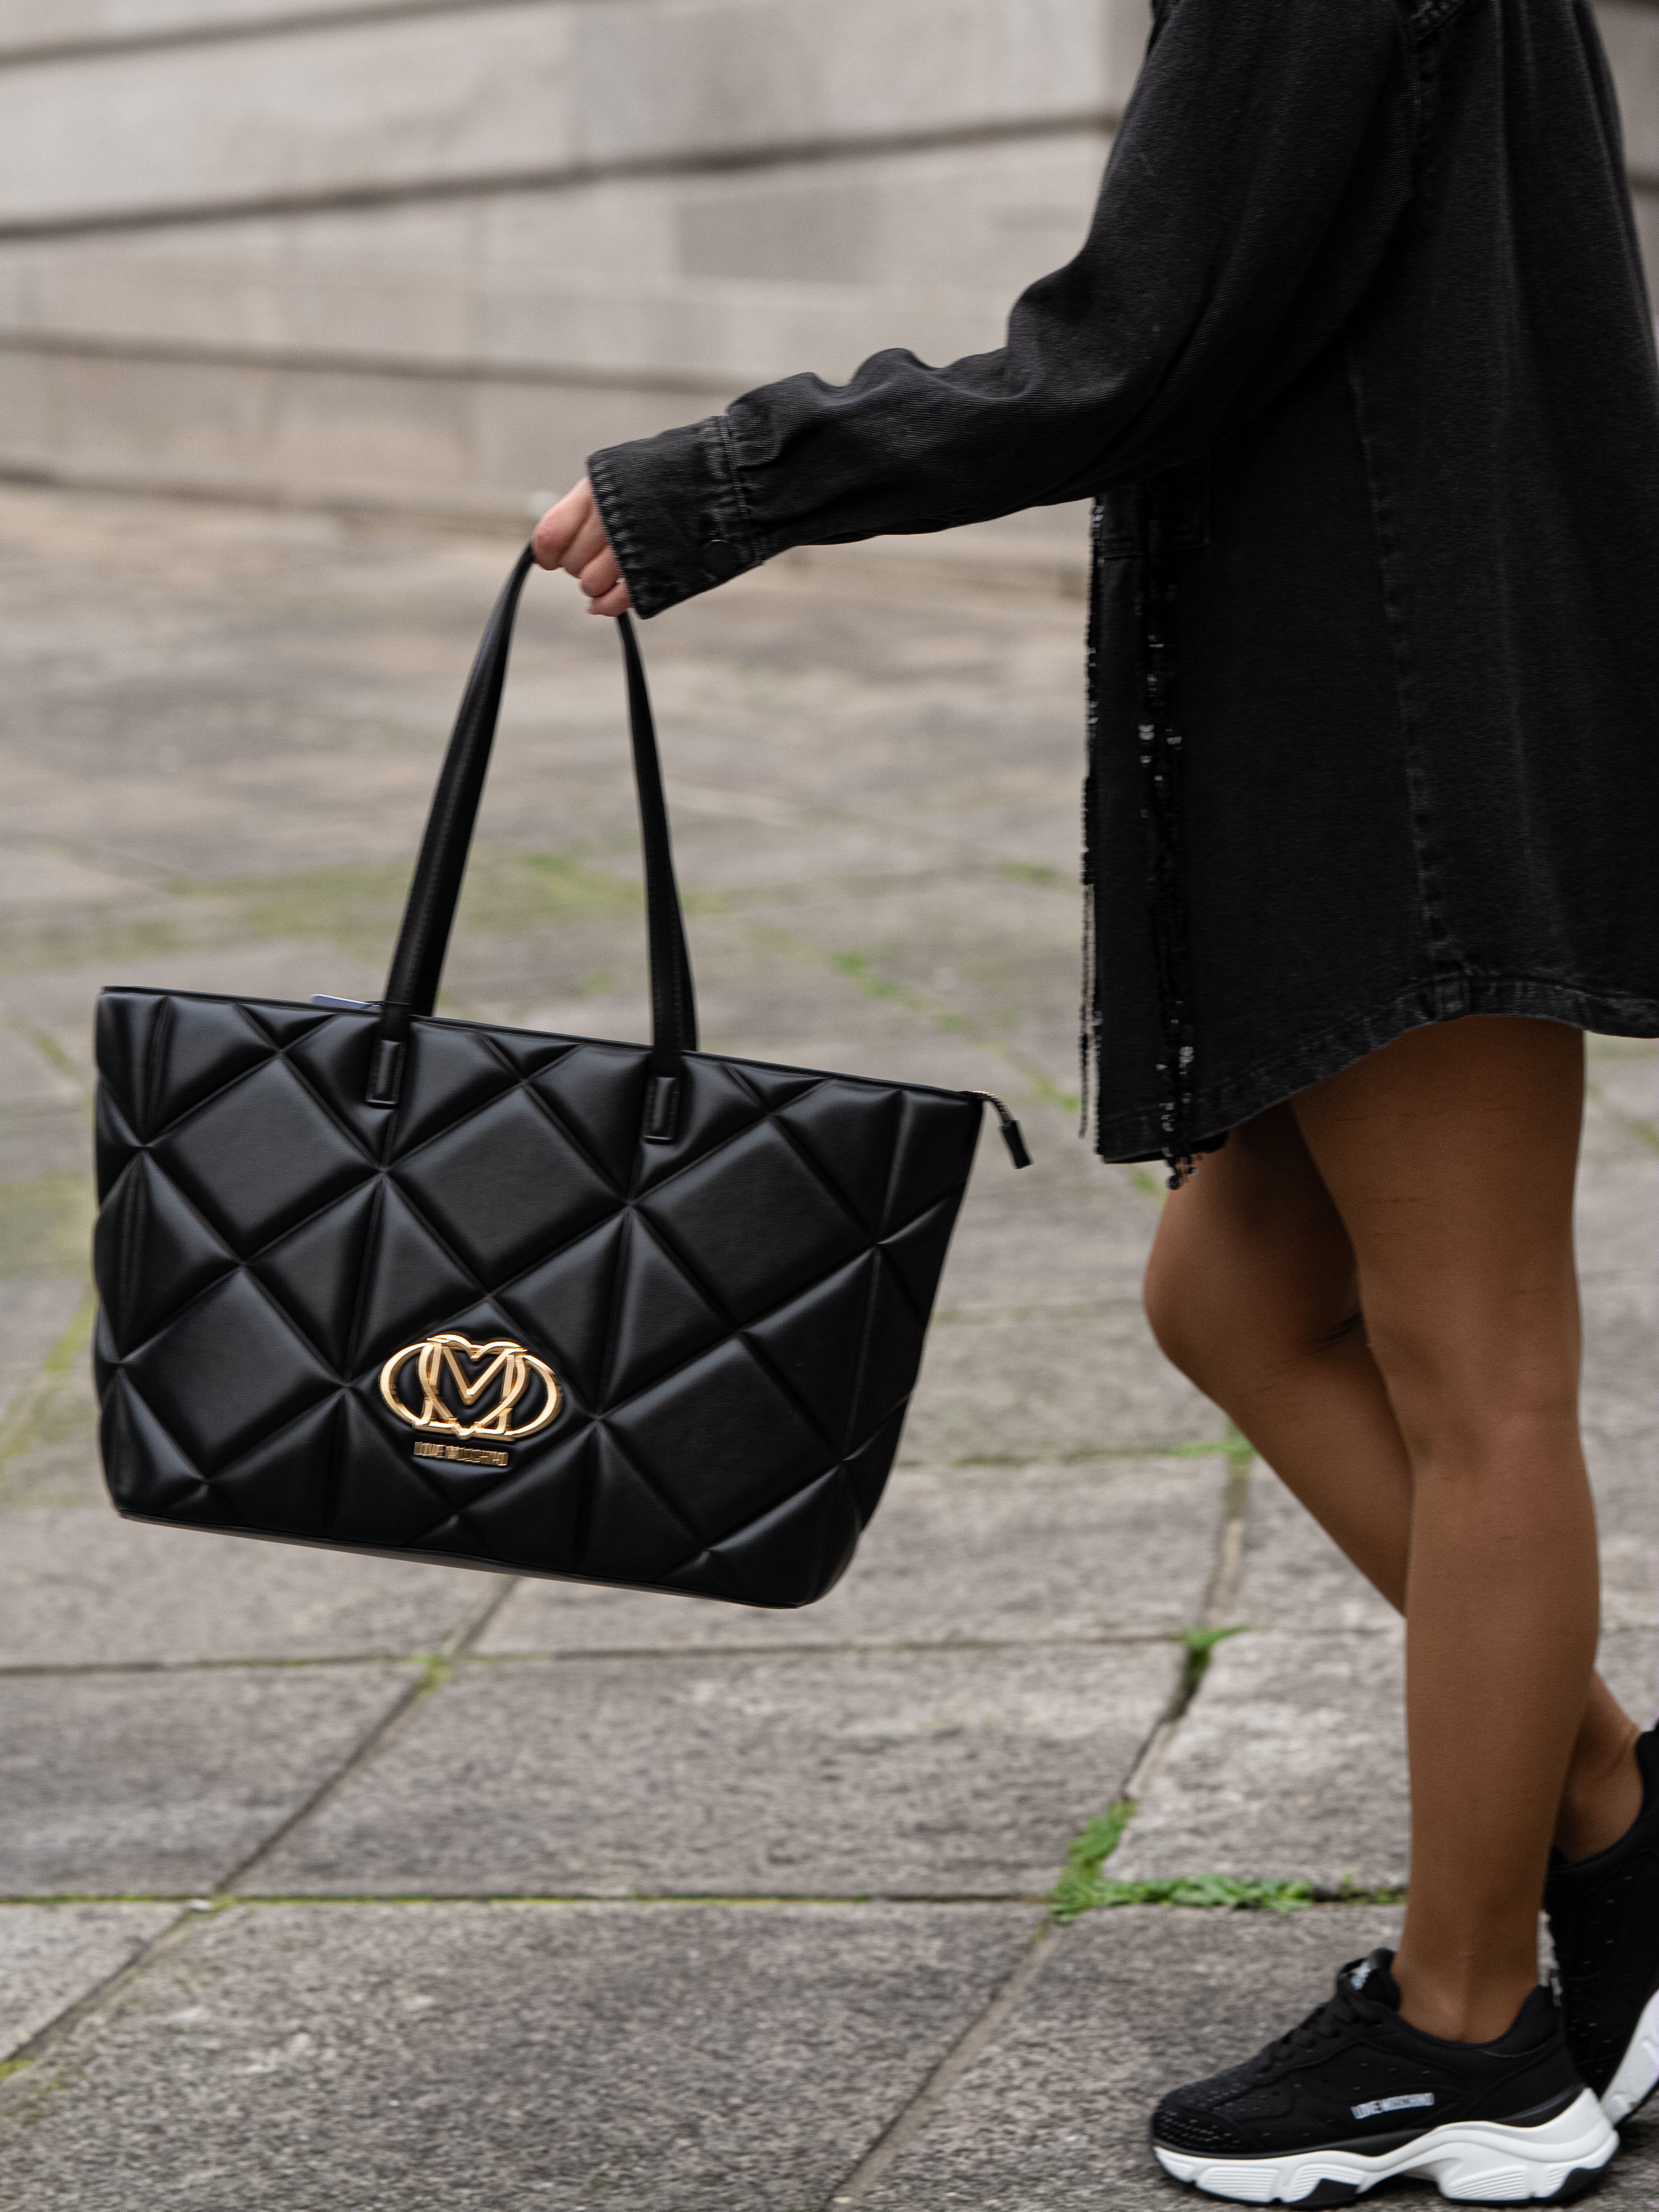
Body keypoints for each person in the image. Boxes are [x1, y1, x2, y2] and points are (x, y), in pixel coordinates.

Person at [532, 0, 1659, 2197]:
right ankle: (1612, 1818)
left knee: (1483, 1383)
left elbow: (1131, 345)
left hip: (1409, 727)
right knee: (1228, 1299)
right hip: (1409, 687)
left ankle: (1476, 2038)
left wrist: (727, 483)